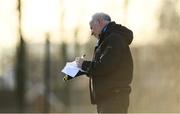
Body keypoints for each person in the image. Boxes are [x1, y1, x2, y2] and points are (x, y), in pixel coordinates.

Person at [75, 12, 133, 113]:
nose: (91, 32)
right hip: (109, 99)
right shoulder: (108, 40)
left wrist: (84, 64)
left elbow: (105, 66)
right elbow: (105, 70)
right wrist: (84, 69)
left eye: (91, 27)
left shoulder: (114, 39)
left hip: (113, 99)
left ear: (100, 22)